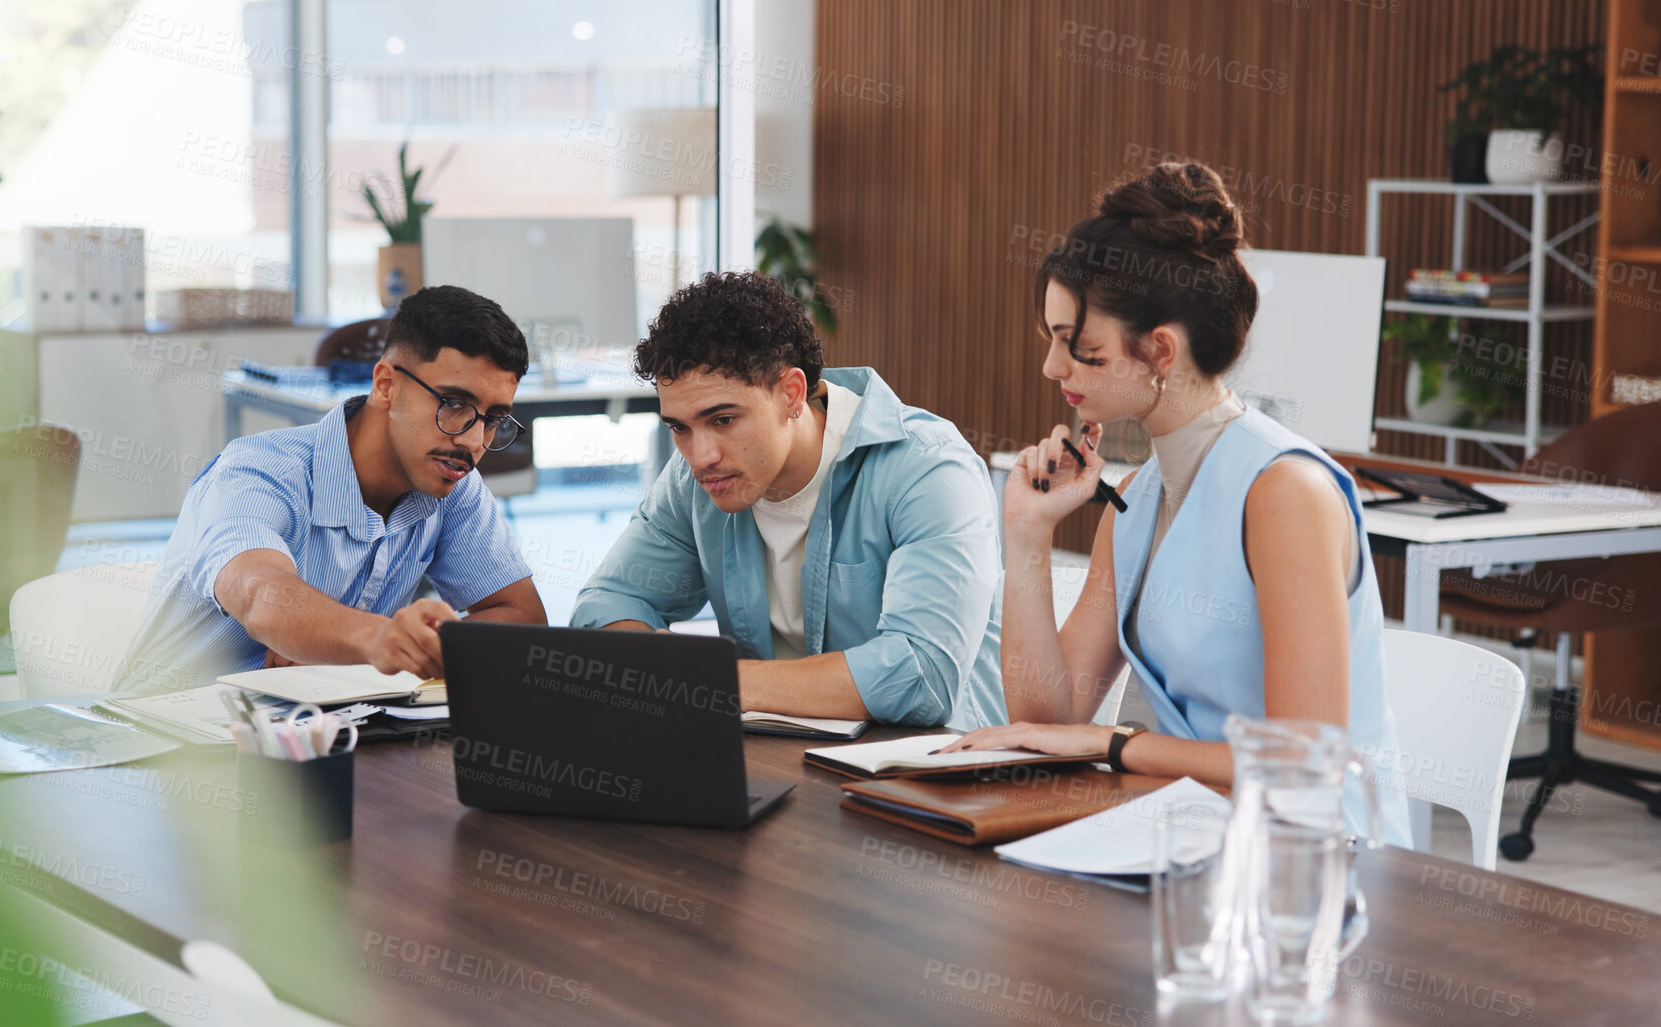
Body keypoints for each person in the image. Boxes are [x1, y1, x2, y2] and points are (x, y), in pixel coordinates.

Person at [942, 163, 1409, 844]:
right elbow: (1049, 720)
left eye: (1081, 349)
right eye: (1050, 340)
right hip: (1192, 836)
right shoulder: (1135, 499)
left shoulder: (1285, 492)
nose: (1052, 368)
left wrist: (1115, 744)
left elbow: (1303, 768)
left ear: (1160, 349)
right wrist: (1026, 533)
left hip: (1314, 862)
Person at [570, 271, 1006, 730]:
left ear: (792, 394)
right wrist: (666, 668)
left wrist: (709, 682)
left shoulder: (928, 469)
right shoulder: (694, 478)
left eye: (722, 419)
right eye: (679, 427)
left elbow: (922, 677)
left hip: (939, 773)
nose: (700, 456)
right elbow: (606, 604)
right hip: (778, 761)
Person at [116, 285, 546, 692]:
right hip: (158, 741)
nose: (474, 442)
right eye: (454, 405)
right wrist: (379, 641)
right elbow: (261, 597)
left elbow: (523, 620)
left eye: (493, 419)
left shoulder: (450, 483)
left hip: (314, 738)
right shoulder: (256, 471)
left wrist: (345, 651)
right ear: (386, 386)